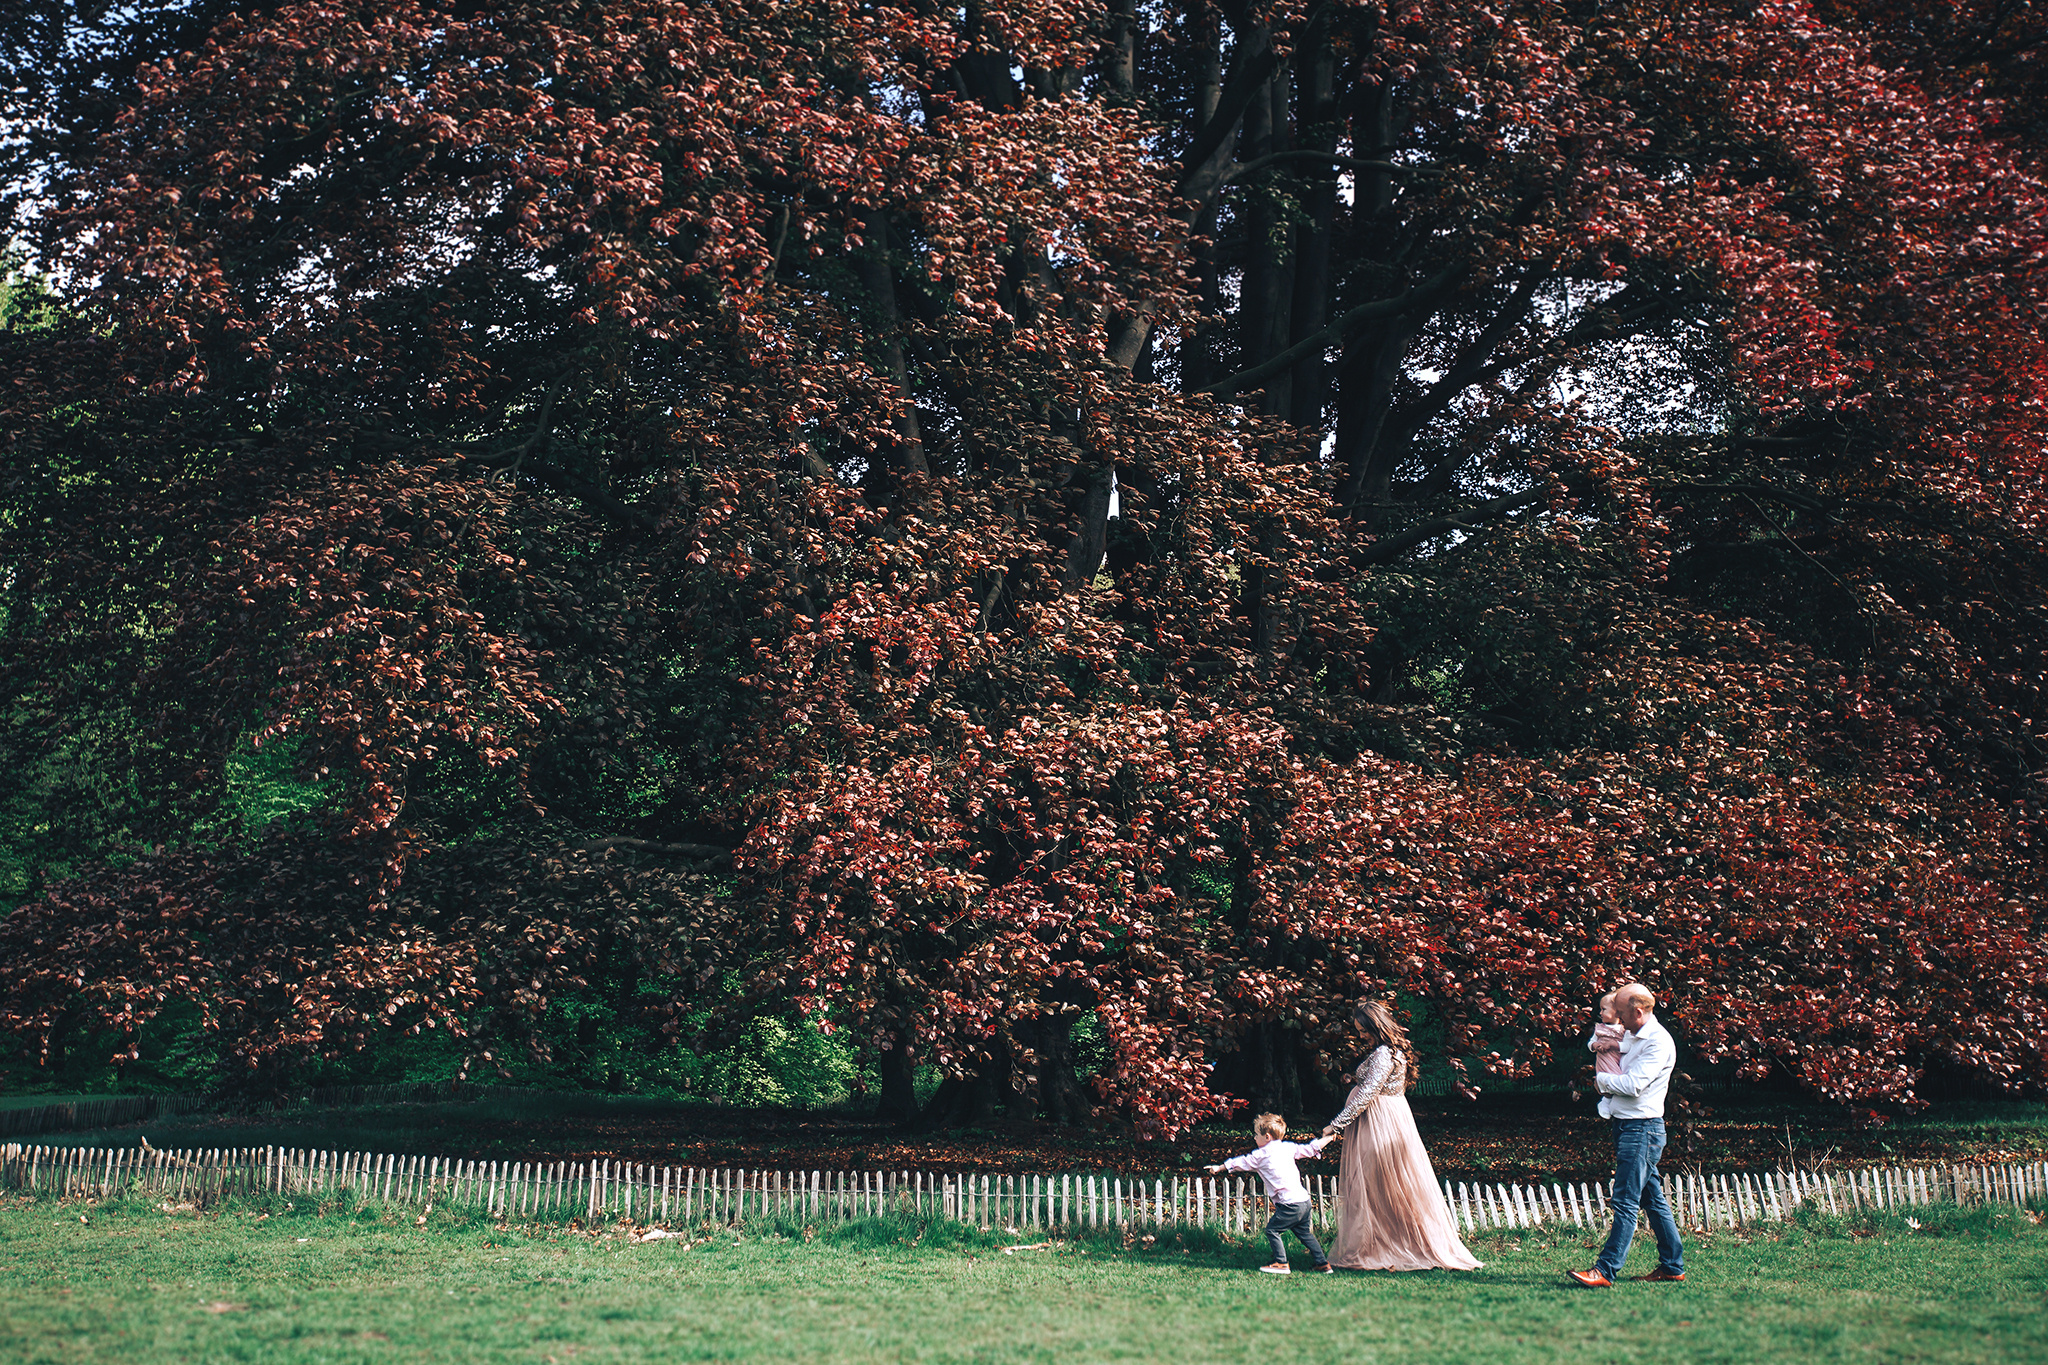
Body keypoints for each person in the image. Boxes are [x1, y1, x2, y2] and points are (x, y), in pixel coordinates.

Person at [1319, 999, 1482, 1271]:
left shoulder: (1384, 1054)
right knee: (1380, 1186)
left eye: (1363, 1030)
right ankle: (1380, 1242)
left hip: (1380, 1123)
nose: (1360, 1036)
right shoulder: (1389, 1051)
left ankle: (1390, 1245)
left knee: (1378, 1184)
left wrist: (1336, 1125)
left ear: (1376, 1026)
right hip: (1385, 1119)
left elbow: (1369, 1094)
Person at [1568, 981, 1686, 1287]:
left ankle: (1605, 1270)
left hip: (1642, 1128)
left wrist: (1601, 1082)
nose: (1615, 1016)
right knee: (1652, 1198)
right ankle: (1672, 1266)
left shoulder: (1657, 1042)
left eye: (1620, 1011)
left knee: (1624, 1199)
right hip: (1627, 1125)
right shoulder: (1633, 1035)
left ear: (1637, 1011)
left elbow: (1634, 1085)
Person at [1206, 1113, 1334, 1274]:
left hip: (1289, 1204)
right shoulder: (1288, 1147)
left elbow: (1240, 1162)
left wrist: (1219, 1167)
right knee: (1304, 1233)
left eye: (1256, 1135)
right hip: (1303, 1201)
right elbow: (1310, 1149)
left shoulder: (1260, 1155)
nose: (1254, 1138)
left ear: (1267, 1137)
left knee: (1272, 1230)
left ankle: (1281, 1263)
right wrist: (1329, 1138)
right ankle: (1322, 1263)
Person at [1590, 991, 1625, 1078]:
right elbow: (1591, 1041)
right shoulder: (1599, 1028)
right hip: (1603, 1060)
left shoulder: (1623, 1029)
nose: (1600, 1013)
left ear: (1616, 1011)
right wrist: (1595, 1045)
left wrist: (1614, 1045)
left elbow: (1629, 1046)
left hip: (1616, 1061)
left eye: (1603, 1009)